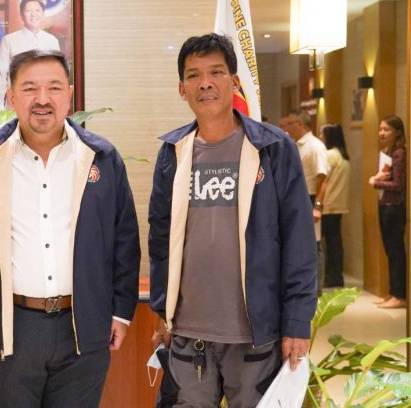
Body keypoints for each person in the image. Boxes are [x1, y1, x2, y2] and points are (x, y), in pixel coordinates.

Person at [0, 49, 141, 408]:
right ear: (10, 97)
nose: (42, 99)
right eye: (29, 89)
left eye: (54, 88)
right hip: (11, 326)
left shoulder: (101, 158)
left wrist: (119, 312)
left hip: (83, 325)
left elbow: (124, 239)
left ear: (70, 95)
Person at [148, 33, 317, 407]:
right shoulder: (172, 153)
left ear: (234, 82)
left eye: (216, 72)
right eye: (193, 75)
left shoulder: (272, 149)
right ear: (182, 89)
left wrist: (297, 323)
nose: (205, 83)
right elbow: (161, 239)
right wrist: (162, 309)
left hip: (256, 336)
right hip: (189, 336)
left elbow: (300, 243)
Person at [281, 111, 328, 293]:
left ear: (299, 124)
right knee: (301, 243)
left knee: (314, 245)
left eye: (289, 124)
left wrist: (317, 206)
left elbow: (323, 178)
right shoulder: (296, 145)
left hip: (310, 198)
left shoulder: (314, 146)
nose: (285, 128)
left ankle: (316, 290)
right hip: (298, 197)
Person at [0, 0, 61, 110]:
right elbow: (1, 75)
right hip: (16, 105)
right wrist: (0, 105)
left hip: (45, 105)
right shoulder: (9, 40)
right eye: (28, 11)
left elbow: (57, 75)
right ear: (21, 15)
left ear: (43, 14)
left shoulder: (52, 41)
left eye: (37, 11)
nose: (33, 14)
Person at [369, 115, 407, 309]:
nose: (382, 133)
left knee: (396, 250)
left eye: (387, 130)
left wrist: (375, 182)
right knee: (389, 251)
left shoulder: (400, 153)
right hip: (384, 204)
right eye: (381, 129)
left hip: (395, 207)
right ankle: (393, 291)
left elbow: (399, 185)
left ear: (397, 133)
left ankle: (400, 295)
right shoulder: (387, 152)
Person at [318, 124, 350, 287]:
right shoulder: (342, 155)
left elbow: (322, 179)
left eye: (322, 134)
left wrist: (317, 203)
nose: (320, 137)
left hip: (327, 205)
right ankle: (336, 277)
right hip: (339, 205)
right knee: (335, 243)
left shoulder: (330, 155)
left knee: (320, 243)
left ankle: (328, 277)